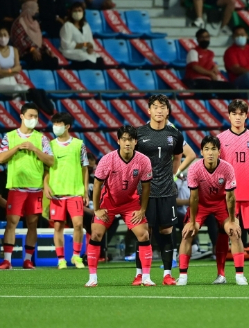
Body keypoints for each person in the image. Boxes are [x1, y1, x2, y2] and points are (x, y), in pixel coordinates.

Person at [85, 126, 155, 287]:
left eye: (131, 139)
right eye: (124, 139)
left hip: (131, 203)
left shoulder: (143, 160)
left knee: (144, 234)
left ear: (136, 141)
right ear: (118, 141)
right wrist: (97, 209)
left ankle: (146, 277)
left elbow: (146, 188)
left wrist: (142, 209)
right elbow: (97, 186)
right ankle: (92, 277)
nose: (127, 143)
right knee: (96, 234)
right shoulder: (107, 160)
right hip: (109, 202)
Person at [177, 136, 245, 286]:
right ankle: (182, 277)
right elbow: (194, 198)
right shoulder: (195, 168)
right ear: (201, 152)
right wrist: (192, 222)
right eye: (206, 149)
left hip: (221, 205)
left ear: (219, 152)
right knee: (188, 232)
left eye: (213, 149)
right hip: (201, 205)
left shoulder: (227, 168)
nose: (210, 153)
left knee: (234, 232)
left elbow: (230, 198)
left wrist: (233, 220)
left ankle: (238, 275)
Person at [134, 95, 187, 286]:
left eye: (162, 107)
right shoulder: (138, 133)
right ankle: (140, 274)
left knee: (167, 231)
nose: (158, 110)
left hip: (166, 191)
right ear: (148, 110)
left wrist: (168, 177)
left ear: (167, 111)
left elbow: (178, 158)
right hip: (144, 192)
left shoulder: (175, 134)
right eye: (155, 107)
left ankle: (166, 274)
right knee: (143, 232)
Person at [215, 100, 249, 284]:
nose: (237, 117)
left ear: (246, 116)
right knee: (224, 235)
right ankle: (221, 274)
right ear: (229, 115)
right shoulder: (220, 140)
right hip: (227, 198)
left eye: (241, 113)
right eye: (234, 113)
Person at [0, 102, 55, 270]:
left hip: (35, 188)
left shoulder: (41, 138)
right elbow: (1, 158)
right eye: (30, 116)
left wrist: (34, 149)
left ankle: (28, 260)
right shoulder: (9, 137)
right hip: (16, 187)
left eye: (36, 117)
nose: (33, 119)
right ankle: (7, 261)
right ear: (22, 116)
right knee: (12, 222)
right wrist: (17, 148)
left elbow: (51, 161)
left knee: (32, 223)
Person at [46, 112, 89, 269]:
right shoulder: (49, 145)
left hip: (74, 192)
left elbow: (85, 168)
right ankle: (61, 259)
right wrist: (46, 186)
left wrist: (85, 191)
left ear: (67, 126)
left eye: (59, 124)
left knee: (78, 224)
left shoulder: (79, 144)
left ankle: (76, 256)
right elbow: (45, 169)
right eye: (55, 123)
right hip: (56, 192)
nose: (56, 126)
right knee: (58, 226)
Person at [11, 1, 59, 69]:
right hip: (25, 52)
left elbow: (40, 40)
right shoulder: (19, 23)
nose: (37, 12)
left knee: (53, 61)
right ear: (30, 11)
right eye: (36, 10)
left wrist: (46, 49)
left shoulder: (36, 23)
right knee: (37, 62)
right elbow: (18, 42)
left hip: (39, 51)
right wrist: (32, 49)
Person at [59, 3, 101, 68]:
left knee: (99, 60)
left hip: (85, 51)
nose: (77, 13)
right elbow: (66, 45)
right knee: (88, 61)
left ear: (83, 12)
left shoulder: (85, 25)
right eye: (75, 11)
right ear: (71, 12)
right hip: (71, 51)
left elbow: (90, 40)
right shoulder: (67, 25)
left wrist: (90, 47)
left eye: (79, 10)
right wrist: (83, 44)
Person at [0, 27, 27, 94]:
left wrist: (7, 71)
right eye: (0, 35)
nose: (3, 38)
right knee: (16, 89)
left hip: (13, 80)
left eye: (5, 35)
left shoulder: (14, 50)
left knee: (26, 89)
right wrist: (12, 71)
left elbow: (18, 68)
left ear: (9, 36)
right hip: (1, 82)